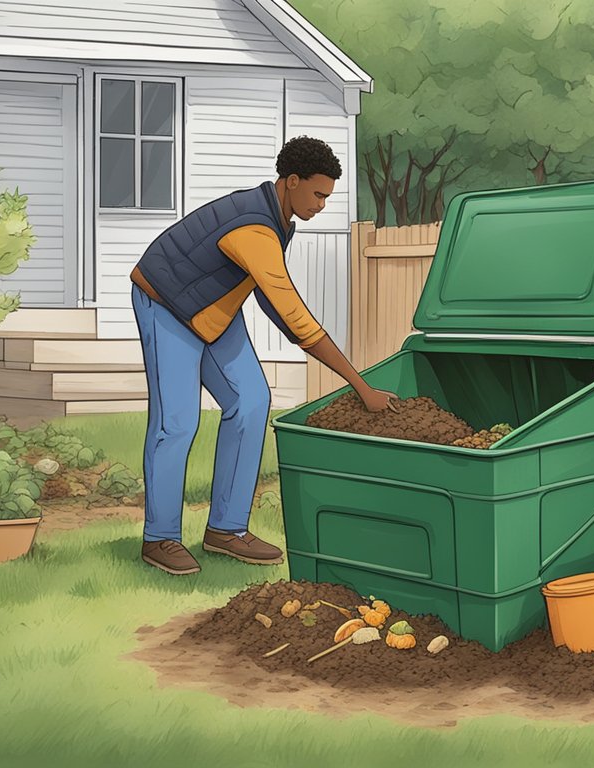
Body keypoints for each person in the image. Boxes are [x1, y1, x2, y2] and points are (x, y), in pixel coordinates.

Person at [130, 136, 398, 575]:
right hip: (166, 300)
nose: (322, 205)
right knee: (176, 421)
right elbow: (294, 315)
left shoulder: (279, 219)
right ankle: (160, 538)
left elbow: (271, 301)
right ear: (291, 181)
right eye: (317, 194)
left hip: (212, 307)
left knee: (251, 401)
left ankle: (227, 529)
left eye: (328, 197)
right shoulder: (254, 227)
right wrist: (361, 386)